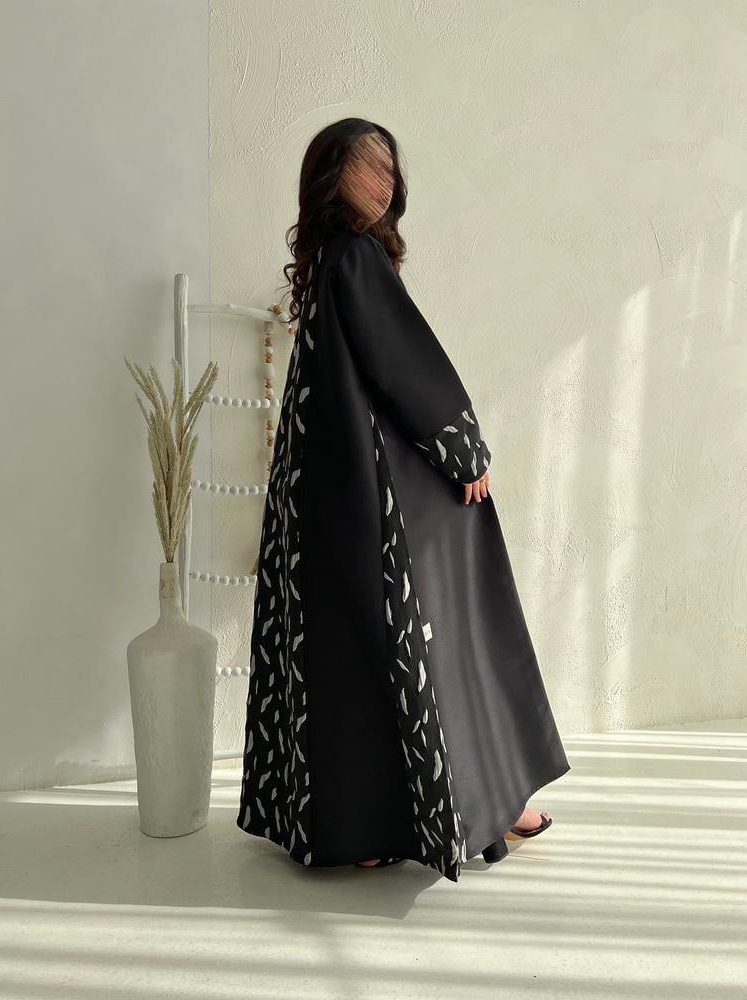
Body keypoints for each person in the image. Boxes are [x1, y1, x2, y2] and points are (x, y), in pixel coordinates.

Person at [236, 118, 570, 882]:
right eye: (368, 168)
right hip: (364, 490)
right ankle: (492, 801)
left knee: (352, 647)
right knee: (450, 617)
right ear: (334, 178)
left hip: (325, 497)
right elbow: (401, 362)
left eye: (390, 167)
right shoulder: (355, 257)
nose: (385, 182)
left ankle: (364, 829)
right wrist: (462, 448)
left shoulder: (329, 260)